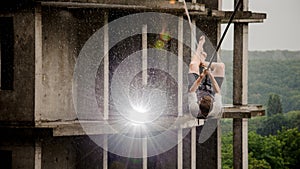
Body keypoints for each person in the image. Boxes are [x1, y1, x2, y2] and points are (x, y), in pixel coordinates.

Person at [188, 35, 225, 119]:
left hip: (198, 90)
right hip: (212, 90)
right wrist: (210, 75)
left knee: (193, 65)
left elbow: (192, 90)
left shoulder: (194, 109)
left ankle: (200, 46)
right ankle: (203, 62)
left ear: (199, 102)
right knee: (221, 67)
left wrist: (202, 76)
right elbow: (218, 91)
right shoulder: (217, 108)